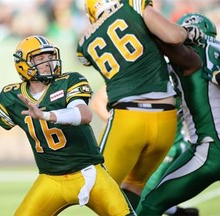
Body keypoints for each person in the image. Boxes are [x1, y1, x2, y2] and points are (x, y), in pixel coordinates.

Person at [0, 35, 135, 216]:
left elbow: (85, 114)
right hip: (51, 179)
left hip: (89, 172)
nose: (48, 62)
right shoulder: (13, 96)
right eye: (40, 58)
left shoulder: (69, 81)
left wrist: (46, 115)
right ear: (24, 65)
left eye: (50, 56)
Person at [77, 0, 202, 209]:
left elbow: (93, 60)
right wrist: (187, 32)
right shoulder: (133, 5)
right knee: (135, 185)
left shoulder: (83, 44)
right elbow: (175, 36)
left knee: (94, 190)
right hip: (166, 120)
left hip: (128, 116)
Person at [136, 13, 220, 216]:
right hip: (206, 146)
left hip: (210, 149)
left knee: (151, 204)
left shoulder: (195, 51)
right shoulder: (212, 48)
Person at [90, 85, 199, 216]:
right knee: (108, 190)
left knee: (140, 194)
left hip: (166, 145)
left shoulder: (173, 73)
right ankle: (177, 212)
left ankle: (177, 212)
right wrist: (120, 126)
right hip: (131, 140)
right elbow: (98, 102)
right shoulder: (141, 71)